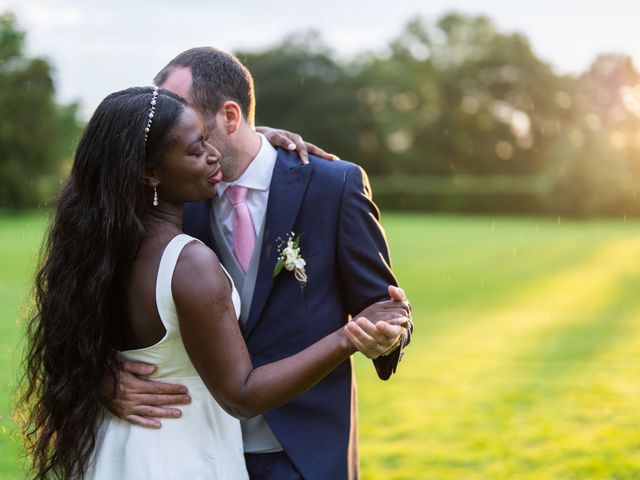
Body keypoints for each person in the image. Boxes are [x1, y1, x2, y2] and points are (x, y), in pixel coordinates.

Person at [20, 86, 410, 480]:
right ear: (150, 171)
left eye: (207, 138)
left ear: (229, 117)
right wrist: (347, 337)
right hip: (183, 453)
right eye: (195, 149)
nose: (212, 155)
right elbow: (240, 392)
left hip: (121, 452)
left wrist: (261, 138)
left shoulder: (102, 242)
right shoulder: (188, 258)